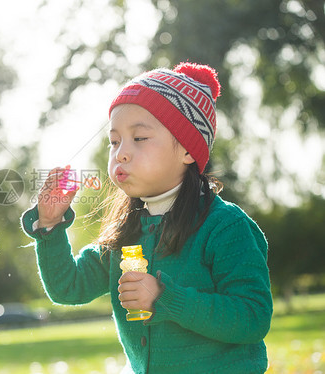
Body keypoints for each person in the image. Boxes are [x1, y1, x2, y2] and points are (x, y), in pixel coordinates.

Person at [21, 62, 273, 373]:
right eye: (114, 142)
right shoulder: (126, 231)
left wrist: (165, 298)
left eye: (139, 138)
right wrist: (49, 225)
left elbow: (253, 317)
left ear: (188, 150)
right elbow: (68, 287)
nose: (121, 153)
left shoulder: (224, 225)